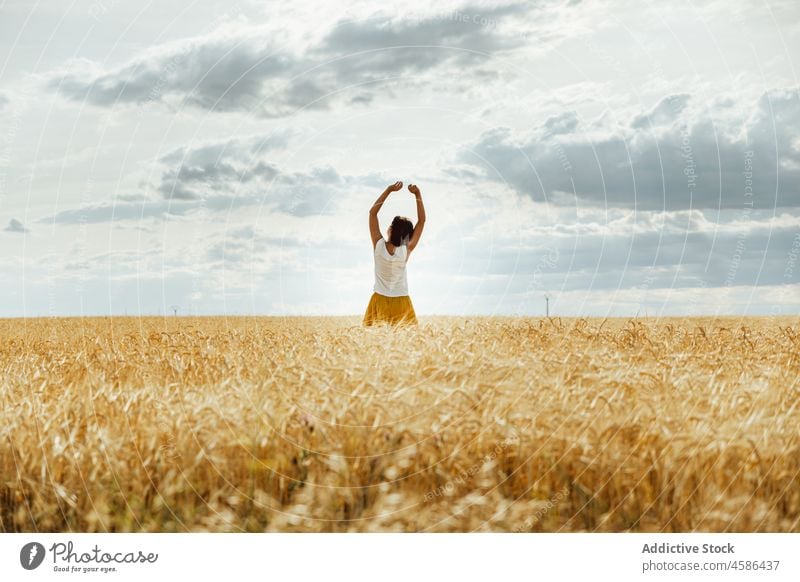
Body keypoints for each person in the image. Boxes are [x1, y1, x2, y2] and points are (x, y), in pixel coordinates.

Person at [362, 181, 426, 326]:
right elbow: (421, 221)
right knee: (405, 344)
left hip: (379, 300)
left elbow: (373, 213)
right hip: (402, 301)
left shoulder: (378, 245)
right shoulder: (406, 250)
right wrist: (417, 194)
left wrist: (389, 190)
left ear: (391, 229)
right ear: (408, 235)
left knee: (374, 343)